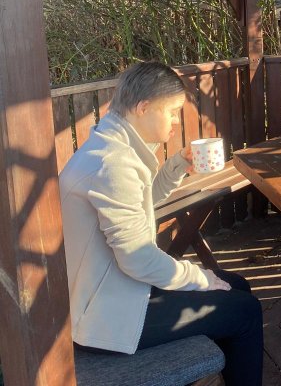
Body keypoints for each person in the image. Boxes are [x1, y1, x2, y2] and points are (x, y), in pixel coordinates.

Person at [59, 61, 263, 385]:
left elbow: (141, 201)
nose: (175, 121)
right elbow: (138, 260)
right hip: (106, 318)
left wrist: (177, 165)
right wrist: (199, 277)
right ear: (143, 108)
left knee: (236, 286)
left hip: (117, 289)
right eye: (171, 112)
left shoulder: (111, 146)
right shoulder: (113, 163)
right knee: (246, 312)